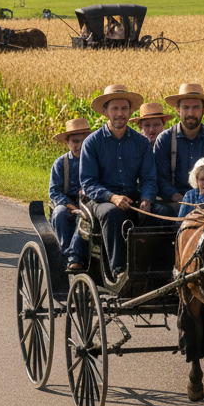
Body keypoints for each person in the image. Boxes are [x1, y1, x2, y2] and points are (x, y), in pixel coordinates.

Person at [79, 84, 157, 287]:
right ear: (105, 111)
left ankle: (154, 270)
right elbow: (88, 183)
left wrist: (147, 200)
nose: (120, 114)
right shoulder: (92, 143)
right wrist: (112, 197)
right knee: (112, 213)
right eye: (115, 109)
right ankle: (118, 272)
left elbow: (149, 178)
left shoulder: (141, 143)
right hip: (101, 199)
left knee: (158, 213)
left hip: (133, 196)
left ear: (130, 111)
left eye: (124, 109)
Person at [153, 82, 204, 215]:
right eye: (186, 107)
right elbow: (160, 178)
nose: (190, 113)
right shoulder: (165, 140)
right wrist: (180, 199)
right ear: (178, 109)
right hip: (174, 203)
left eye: (196, 107)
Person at [49, 117, 92, 273]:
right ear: (67, 142)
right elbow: (54, 191)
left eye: (83, 141)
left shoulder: (95, 161)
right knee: (60, 213)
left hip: (89, 204)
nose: (79, 145)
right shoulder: (61, 164)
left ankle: (79, 258)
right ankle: (68, 256)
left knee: (88, 216)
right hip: (67, 204)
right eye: (75, 141)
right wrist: (71, 206)